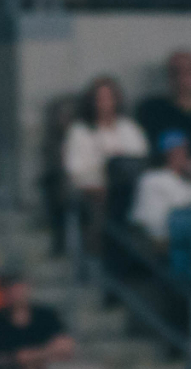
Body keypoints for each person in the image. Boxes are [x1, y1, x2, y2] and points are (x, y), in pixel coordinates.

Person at [62, 76, 148, 253]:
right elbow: (75, 170)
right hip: (96, 189)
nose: (105, 104)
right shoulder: (80, 131)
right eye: (100, 99)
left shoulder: (129, 128)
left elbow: (141, 158)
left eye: (109, 98)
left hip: (130, 188)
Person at [131, 131, 191, 244]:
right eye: (176, 151)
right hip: (161, 243)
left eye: (185, 151)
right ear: (166, 154)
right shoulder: (152, 179)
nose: (182, 155)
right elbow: (147, 224)